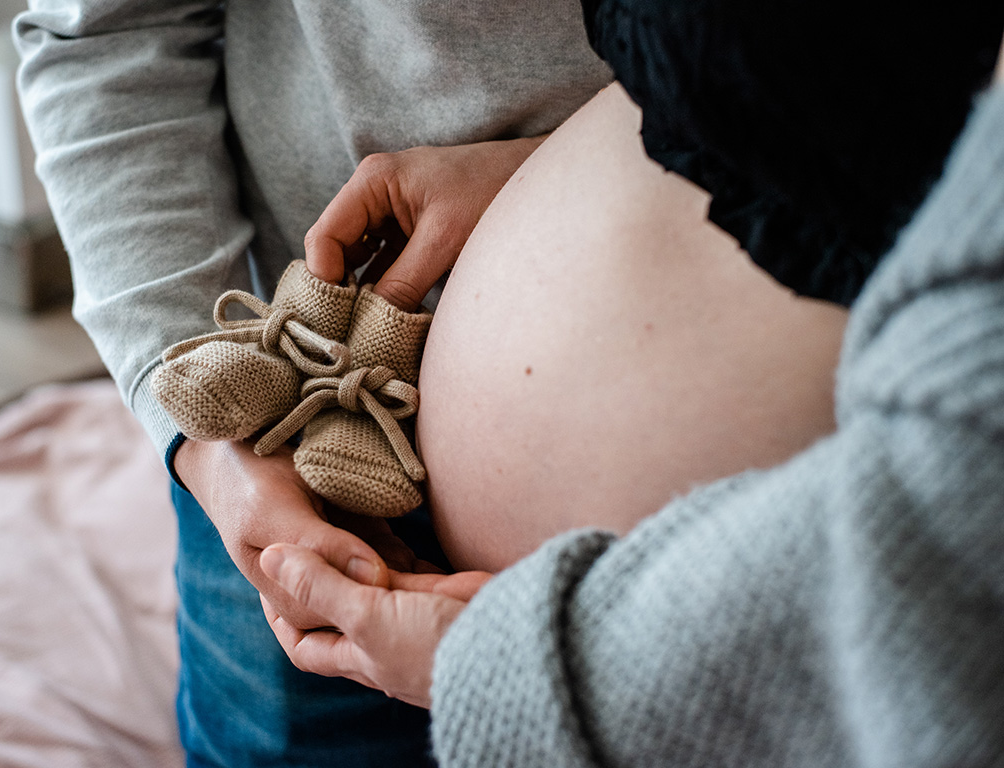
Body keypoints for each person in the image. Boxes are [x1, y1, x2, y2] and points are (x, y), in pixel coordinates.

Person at [257, 21, 1004, 768]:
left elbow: (955, 527)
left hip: (707, 685)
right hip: (462, 588)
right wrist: (541, 162)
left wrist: (529, 668)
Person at [14, 1, 613, 765]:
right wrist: (210, 451)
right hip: (277, 464)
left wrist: (562, 176)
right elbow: (108, 34)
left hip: (692, 461)